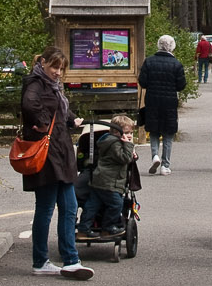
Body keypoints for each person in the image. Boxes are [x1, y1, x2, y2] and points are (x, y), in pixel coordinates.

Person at [20, 46, 94, 280]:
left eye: (61, 68)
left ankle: (71, 260)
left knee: (69, 207)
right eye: (54, 67)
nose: (58, 72)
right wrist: (42, 125)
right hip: (48, 155)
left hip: (60, 153)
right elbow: (30, 107)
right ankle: (41, 261)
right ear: (42, 62)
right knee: (46, 208)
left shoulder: (52, 86)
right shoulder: (35, 83)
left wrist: (71, 119)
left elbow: (58, 111)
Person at [78, 114, 135, 234]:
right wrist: (129, 145)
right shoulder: (115, 144)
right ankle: (108, 226)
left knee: (92, 205)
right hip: (109, 182)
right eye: (127, 132)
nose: (129, 135)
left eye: (131, 132)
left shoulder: (107, 140)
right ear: (117, 132)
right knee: (116, 204)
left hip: (98, 179)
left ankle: (84, 227)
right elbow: (124, 158)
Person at [139, 34, 186, 174]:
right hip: (169, 102)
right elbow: (181, 85)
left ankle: (154, 155)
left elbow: (143, 82)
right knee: (168, 132)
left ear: (158, 45)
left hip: (152, 100)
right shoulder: (176, 64)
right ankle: (165, 165)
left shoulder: (149, 61)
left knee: (154, 130)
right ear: (172, 47)